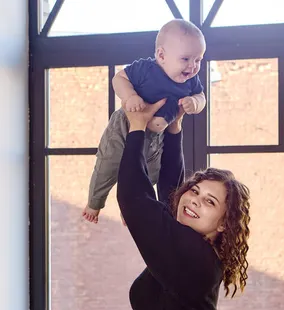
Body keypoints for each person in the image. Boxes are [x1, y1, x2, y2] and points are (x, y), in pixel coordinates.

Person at [112, 98, 251, 310]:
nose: (194, 201)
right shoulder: (194, 251)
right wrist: (174, 131)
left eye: (210, 202)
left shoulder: (194, 258)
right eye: (196, 191)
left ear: (224, 223)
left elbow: (134, 199)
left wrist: (136, 129)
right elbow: (173, 194)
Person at [82, 19, 207, 224]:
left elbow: (202, 97)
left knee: (148, 175)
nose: (193, 66)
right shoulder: (145, 69)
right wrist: (130, 96)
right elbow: (119, 79)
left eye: (198, 60)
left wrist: (195, 102)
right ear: (161, 55)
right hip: (125, 126)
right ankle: (95, 202)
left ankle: (130, 210)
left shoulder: (191, 81)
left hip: (156, 138)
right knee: (108, 164)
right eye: (185, 59)